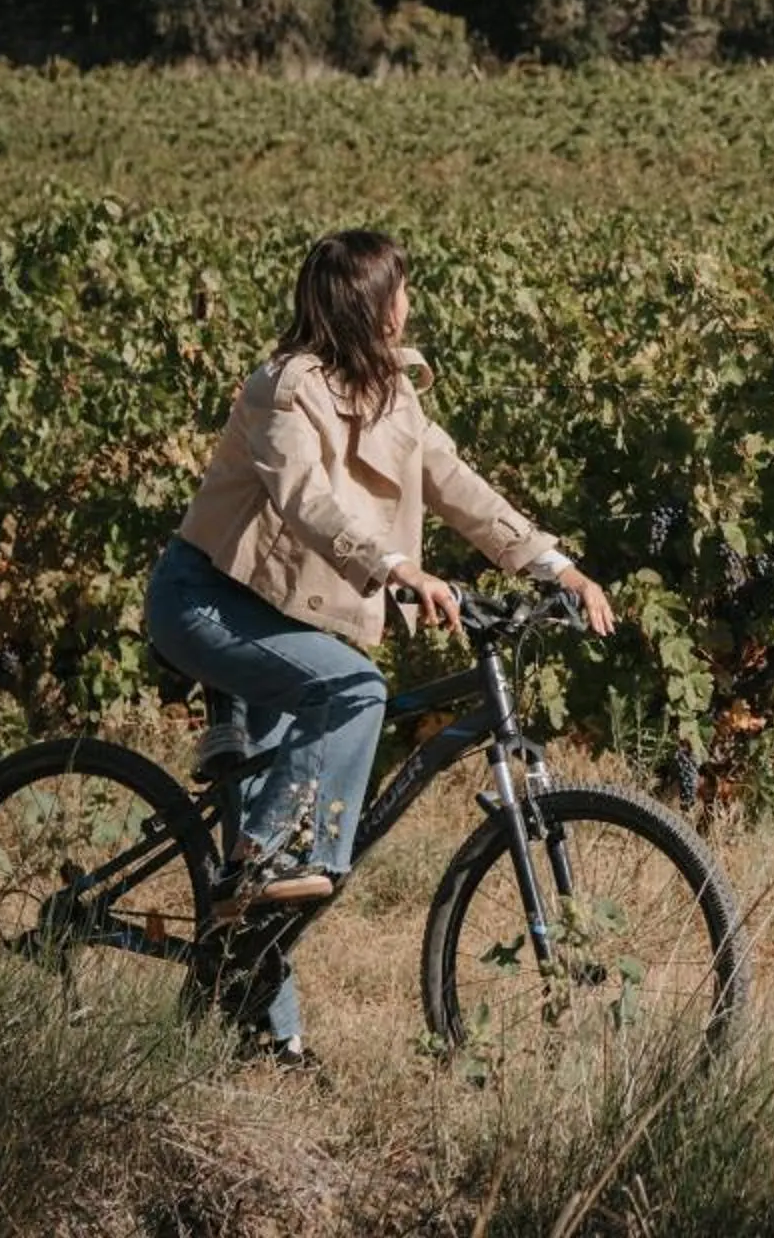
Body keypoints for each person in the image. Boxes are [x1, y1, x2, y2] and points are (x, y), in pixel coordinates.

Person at [145, 228, 615, 1063]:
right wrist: (396, 567)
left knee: (265, 863)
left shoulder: (394, 394)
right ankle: (275, 863)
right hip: (209, 601)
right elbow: (307, 500)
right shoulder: (282, 389)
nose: (409, 304)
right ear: (369, 304)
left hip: (287, 621)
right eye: (400, 289)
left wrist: (555, 566)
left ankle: (267, 1042)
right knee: (352, 697)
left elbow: (457, 485)